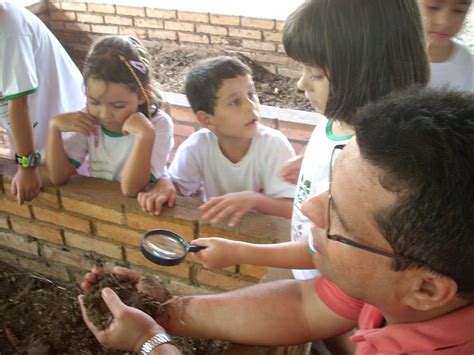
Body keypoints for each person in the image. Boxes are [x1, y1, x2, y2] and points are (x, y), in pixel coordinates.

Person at [78, 87, 474, 354]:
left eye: (340, 220)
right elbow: (305, 306)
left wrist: (151, 342)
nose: (309, 209)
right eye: (329, 190)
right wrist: (163, 309)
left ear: (425, 289)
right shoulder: (391, 278)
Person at [190, 0, 429, 283]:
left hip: (330, 288)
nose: (301, 83)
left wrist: (239, 252)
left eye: (315, 73)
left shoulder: (367, 165)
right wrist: (309, 161)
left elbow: (323, 249)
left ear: (367, 72)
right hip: (307, 276)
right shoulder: (334, 120)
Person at [141, 56, 296, 227]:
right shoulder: (197, 146)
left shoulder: (273, 145)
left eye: (251, 94)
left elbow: (292, 210)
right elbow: (178, 188)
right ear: (207, 120)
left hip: (264, 239)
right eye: (235, 102)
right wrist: (165, 182)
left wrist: (254, 200)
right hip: (218, 233)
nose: (250, 106)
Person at [47, 35, 174, 197]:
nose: (105, 115)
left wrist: (145, 135)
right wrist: (54, 128)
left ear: (142, 95)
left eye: (118, 106)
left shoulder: (157, 124)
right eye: (94, 102)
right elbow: (58, 177)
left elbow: (131, 190)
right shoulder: (88, 118)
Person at [0, 0, 85, 204]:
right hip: (28, 126)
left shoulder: (10, 30)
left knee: (62, 179)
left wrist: (26, 166)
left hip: (59, 121)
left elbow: (18, 103)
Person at [420, 0, 473, 92]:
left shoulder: (467, 64)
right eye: (433, 7)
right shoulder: (390, 56)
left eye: (458, 10)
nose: (444, 22)